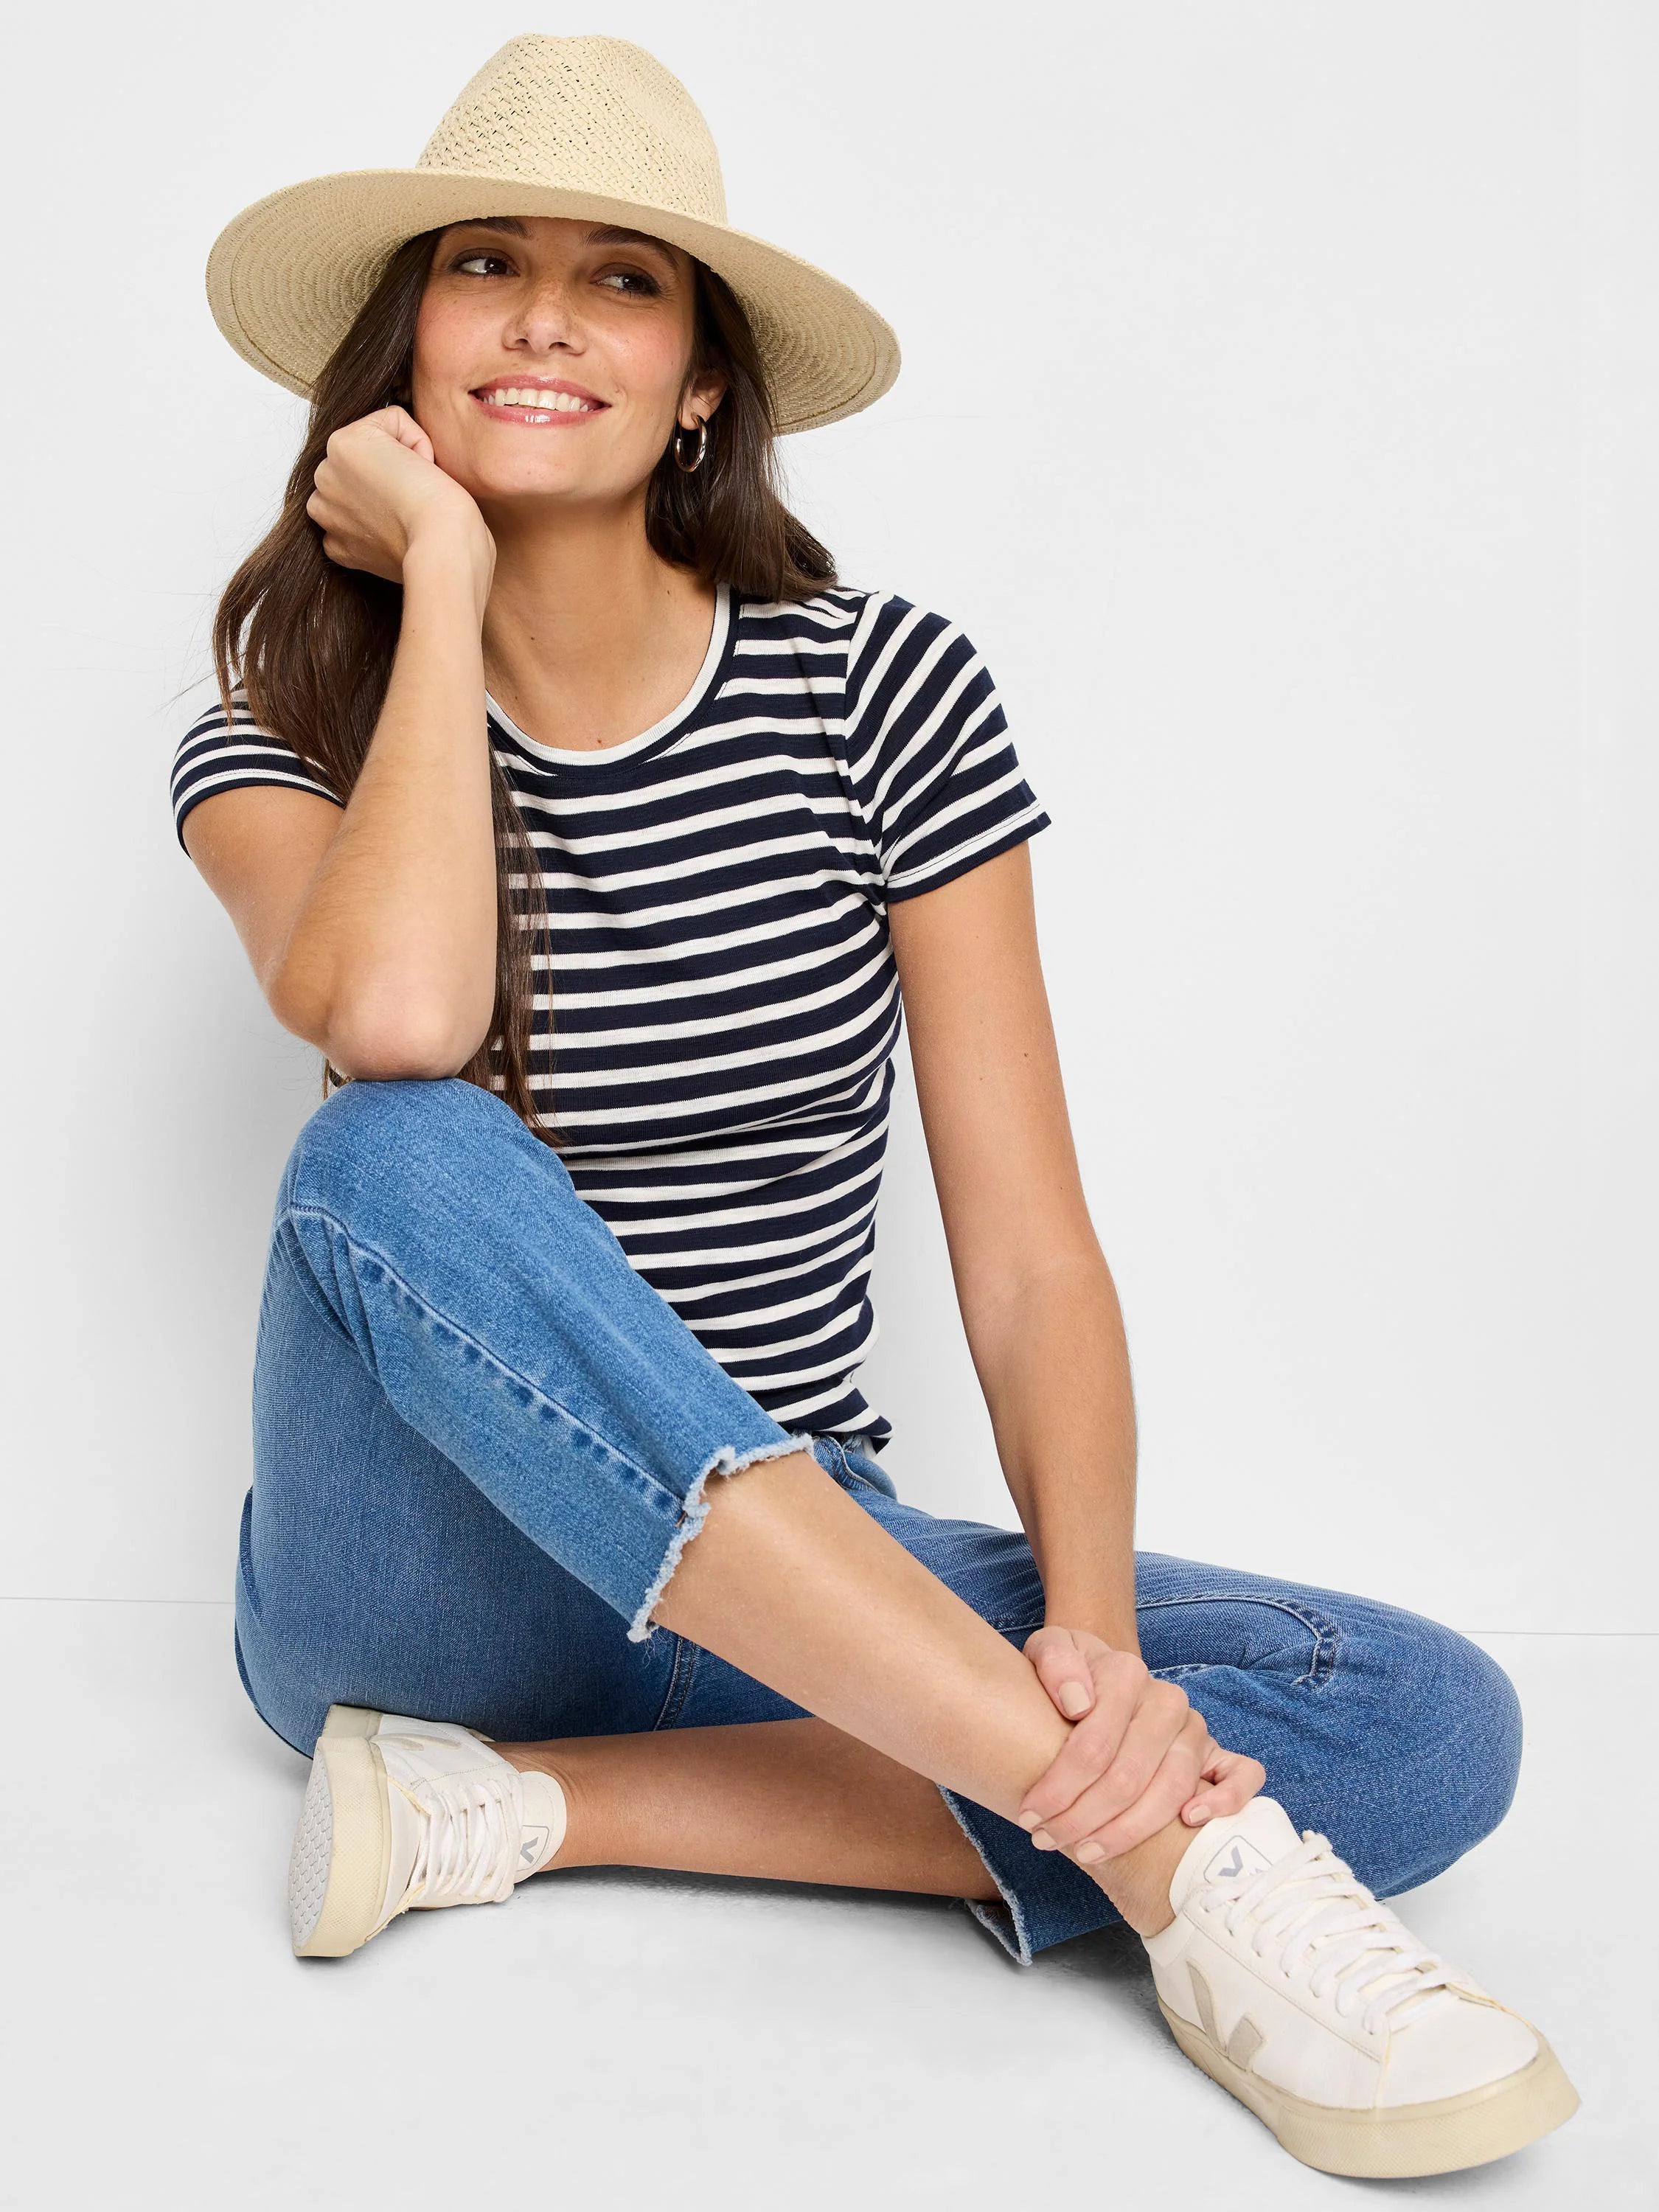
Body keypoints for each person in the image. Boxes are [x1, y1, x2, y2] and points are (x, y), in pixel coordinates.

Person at [171, 34, 1577, 2180]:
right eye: (483, 266)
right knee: (401, 1145)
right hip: (427, 1584)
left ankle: (522, 1804)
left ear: (701, 384)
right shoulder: (281, 730)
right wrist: (440, 581)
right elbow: (402, 1019)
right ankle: (1174, 1873)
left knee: (1420, 1721)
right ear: (405, 354)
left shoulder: (878, 691)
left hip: (801, 1575)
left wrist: (1091, 1643)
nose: (545, 319)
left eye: (622, 280)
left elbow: (1024, 1248)